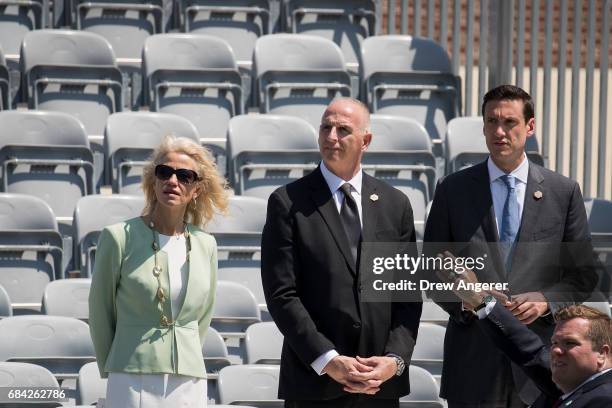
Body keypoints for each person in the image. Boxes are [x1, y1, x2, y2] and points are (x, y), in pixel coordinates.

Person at [423, 85, 597, 407]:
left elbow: (583, 276)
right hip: (474, 363)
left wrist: (546, 300)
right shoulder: (453, 190)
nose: (499, 131)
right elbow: (431, 269)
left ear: (530, 127)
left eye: (510, 122)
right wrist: (469, 301)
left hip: (540, 367)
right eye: (492, 121)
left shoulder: (563, 191)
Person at [261, 97, 422, 407]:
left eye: (343, 129)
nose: (331, 136)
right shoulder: (287, 202)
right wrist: (327, 359)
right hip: (314, 385)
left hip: (379, 388)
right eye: (326, 127)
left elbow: (407, 296)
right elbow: (282, 295)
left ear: (366, 140)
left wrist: (394, 361)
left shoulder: (395, 204)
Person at [89, 135, 229, 408]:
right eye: (164, 172)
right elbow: (100, 311)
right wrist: (117, 363)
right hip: (131, 373)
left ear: (197, 188)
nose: (172, 181)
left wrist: (184, 352)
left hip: (188, 378)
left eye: (184, 175)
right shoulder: (118, 237)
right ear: (153, 181)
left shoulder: (206, 245)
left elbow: (202, 317)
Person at [436, 261, 612, 408]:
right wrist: (481, 301)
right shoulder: (571, 383)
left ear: (602, 353)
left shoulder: (603, 400)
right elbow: (530, 351)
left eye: (570, 343)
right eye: (554, 343)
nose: (556, 351)